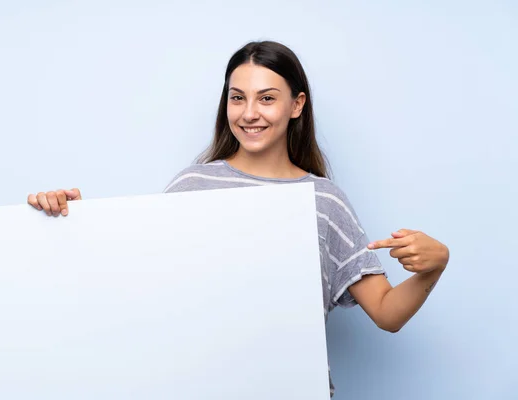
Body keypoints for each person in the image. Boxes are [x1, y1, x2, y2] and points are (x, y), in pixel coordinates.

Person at [27, 40, 450, 397]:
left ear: (296, 105)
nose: (249, 113)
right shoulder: (193, 185)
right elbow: (137, 286)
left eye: (267, 98)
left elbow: (387, 313)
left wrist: (434, 267)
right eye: (237, 97)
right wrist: (73, 222)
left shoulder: (323, 201)